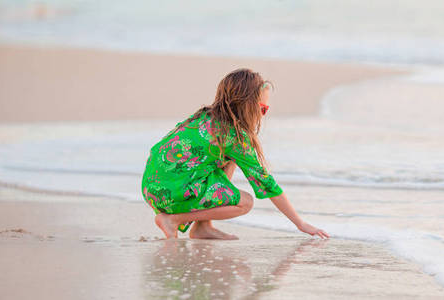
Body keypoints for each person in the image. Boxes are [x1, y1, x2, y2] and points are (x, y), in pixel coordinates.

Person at [141, 68, 329, 240]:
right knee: (245, 202)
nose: (262, 115)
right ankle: (173, 220)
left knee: (226, 160)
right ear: (247, 105)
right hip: (171, 192)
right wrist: (301, 224)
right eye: (263, 109)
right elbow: (266, 183)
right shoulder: (234, 137)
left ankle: (202, 227)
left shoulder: (204, 116)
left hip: (152, 187)